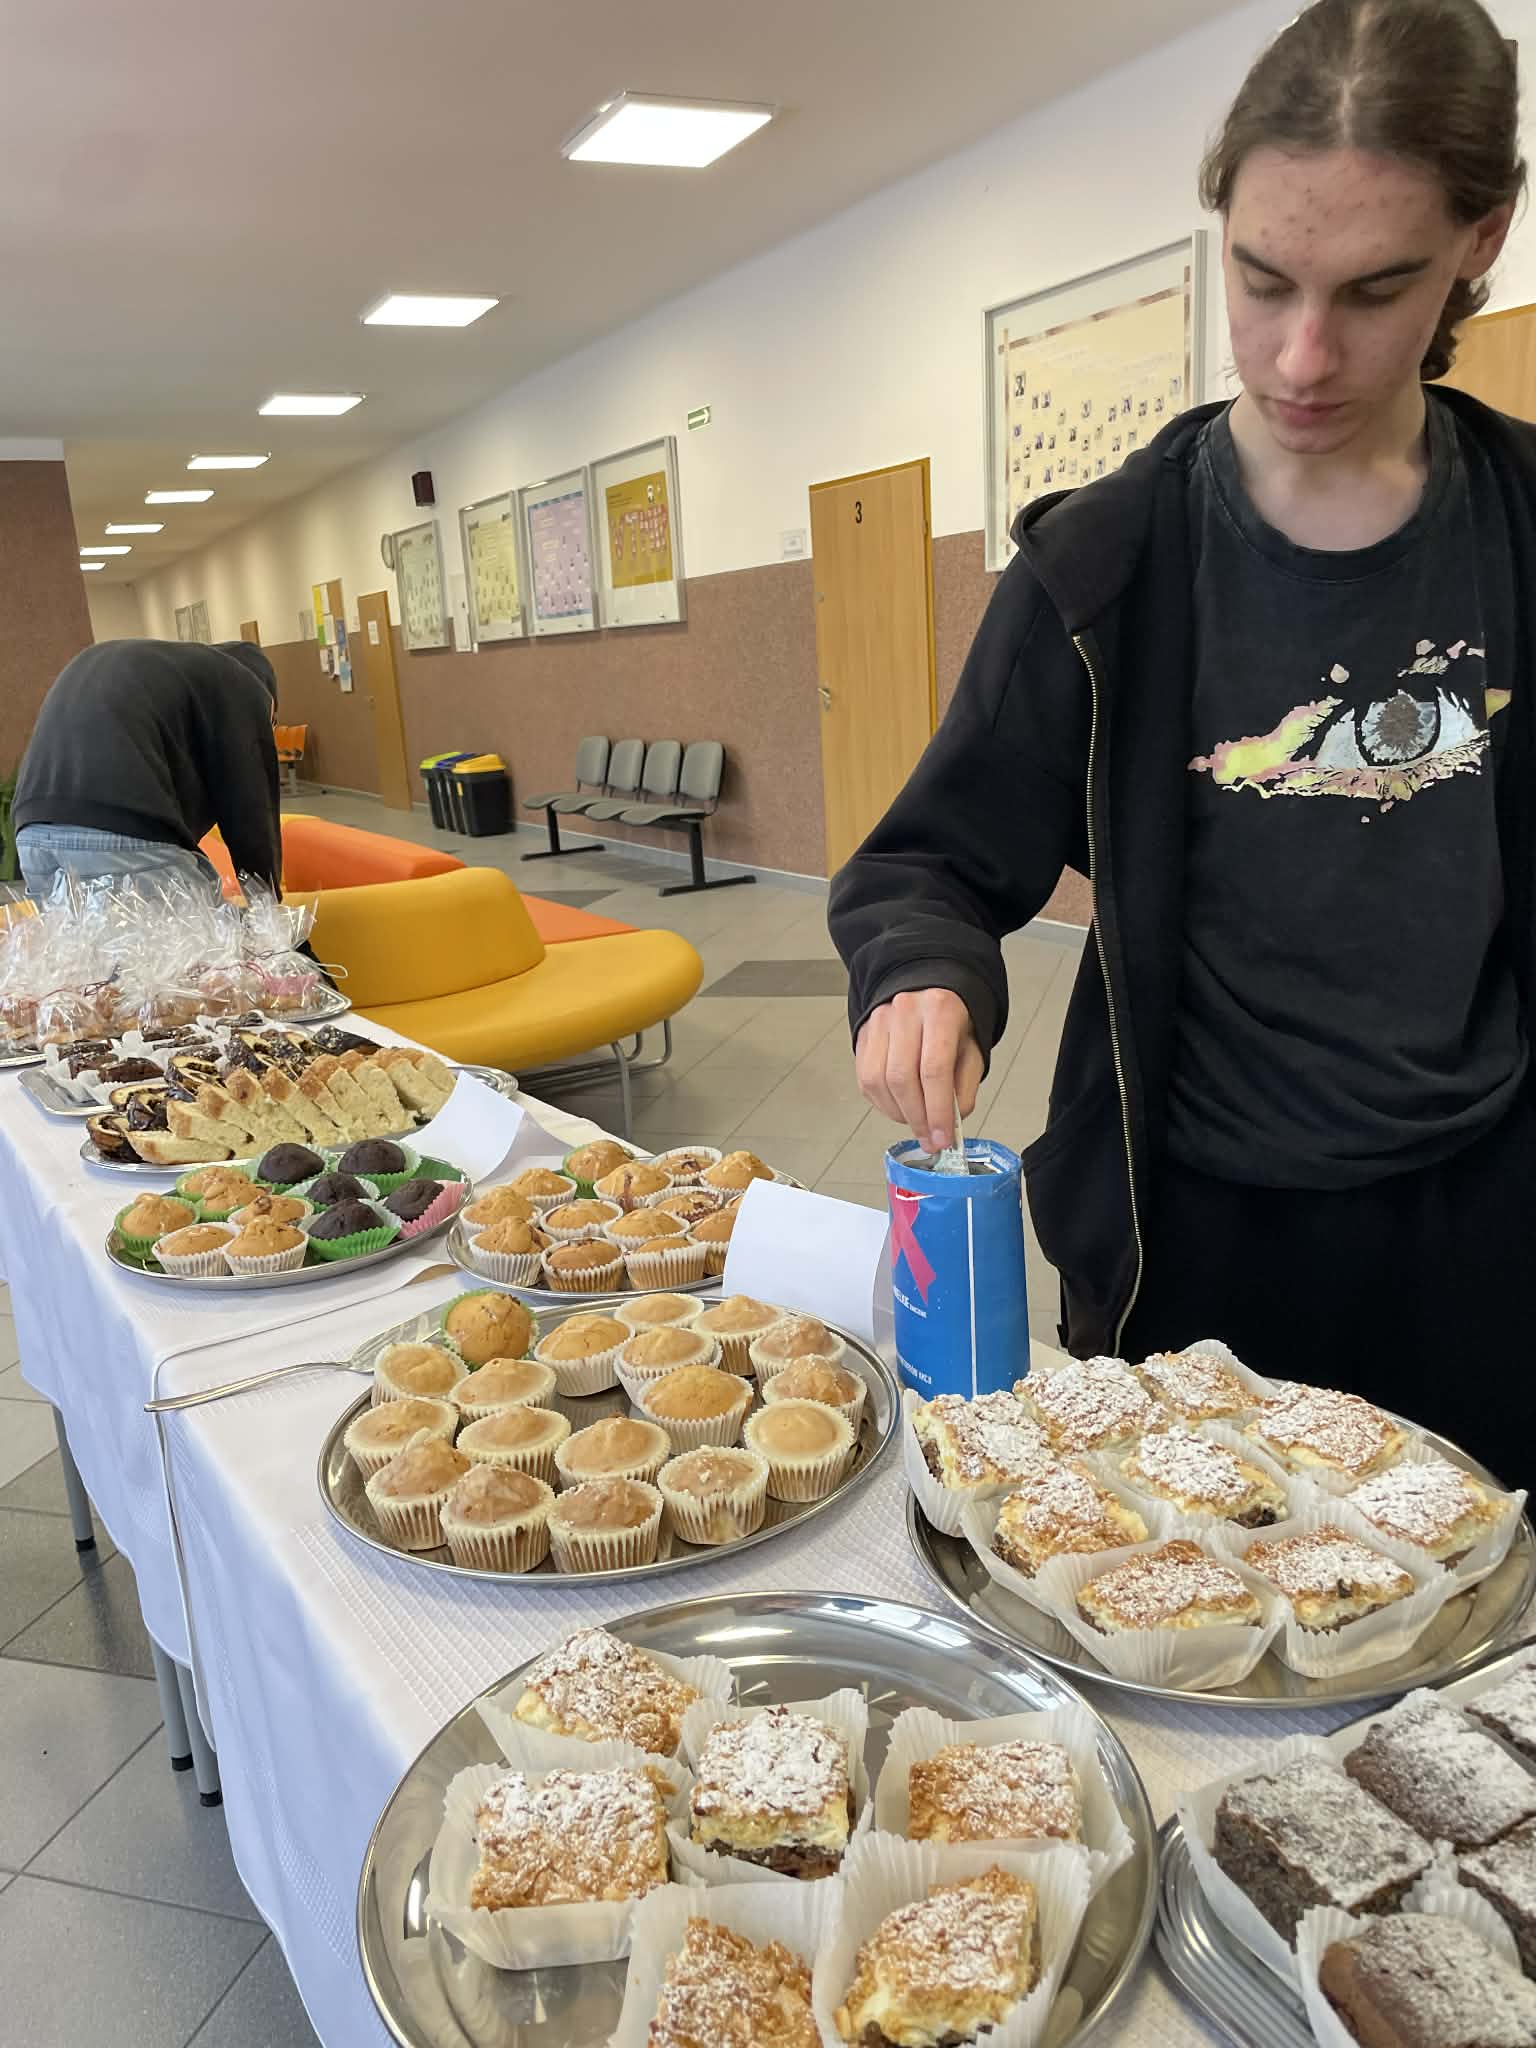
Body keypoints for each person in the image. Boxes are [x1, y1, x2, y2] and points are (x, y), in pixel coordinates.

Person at [829, 0, 1533, 1473]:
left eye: (1375, 290)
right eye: (1262, 280)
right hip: (1192, 1233)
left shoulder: (1527, 529)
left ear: (1482, 241)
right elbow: (930, 863)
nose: (1302, 354)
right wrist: (922, 973)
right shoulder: (1103, 569)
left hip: (1481, 1227)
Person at [14, 637, 283, 900]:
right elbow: (250, 808)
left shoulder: (171, 675)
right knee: (208, 929)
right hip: (120, 828)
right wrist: (267, 904)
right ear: (268, 702)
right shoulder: (241, 684)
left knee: (84, 931)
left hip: (32, 832)